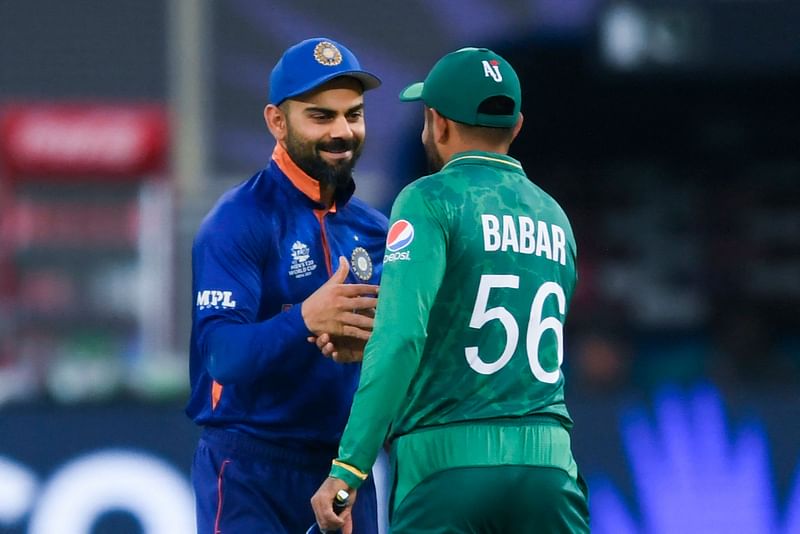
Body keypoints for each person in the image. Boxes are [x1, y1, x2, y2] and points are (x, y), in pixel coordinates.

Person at [311, 47, 590, 533]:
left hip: (446, 465)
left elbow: (401, 338)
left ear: (437, 123)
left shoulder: (428, 198)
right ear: (516, 126)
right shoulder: (555, 217)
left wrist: (347, 471)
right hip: (549, 466)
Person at [186, 37, 386, 534]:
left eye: (353, 115)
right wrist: (304, 319)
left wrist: (372, 346)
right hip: (248, 470)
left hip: (342, 473)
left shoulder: (377, 232)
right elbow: (220, 356)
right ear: (277, 121)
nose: (343, 131)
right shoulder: (238, 221)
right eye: (321, 116)